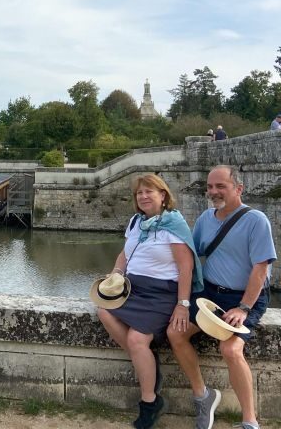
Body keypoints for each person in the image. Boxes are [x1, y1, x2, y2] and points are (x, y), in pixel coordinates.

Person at [167, 165, 276, 429]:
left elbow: (260, 268)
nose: (213, 191)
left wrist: (244, 307)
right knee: (175, 333)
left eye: (220, 186)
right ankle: (203, 396)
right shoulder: (206, 218)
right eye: (209, 186)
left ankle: (250, 421)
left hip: (244, 298)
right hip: (209, 294)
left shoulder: (256, 220)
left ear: (239, 189)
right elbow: (191, 256)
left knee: (230, 349)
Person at [94, 174, 202, 429]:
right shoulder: (136, 221)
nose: (143, 197)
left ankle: (150, 402)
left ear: (163, 195)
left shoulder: (173, 223)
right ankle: (147, 359)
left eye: (149, 192)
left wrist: (182, 304)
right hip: (132, 288)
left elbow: (185, 268)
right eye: (139, 193)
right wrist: (116, 274)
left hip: (161, 293)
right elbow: (125, 254)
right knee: (104, 311)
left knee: (136, 339)